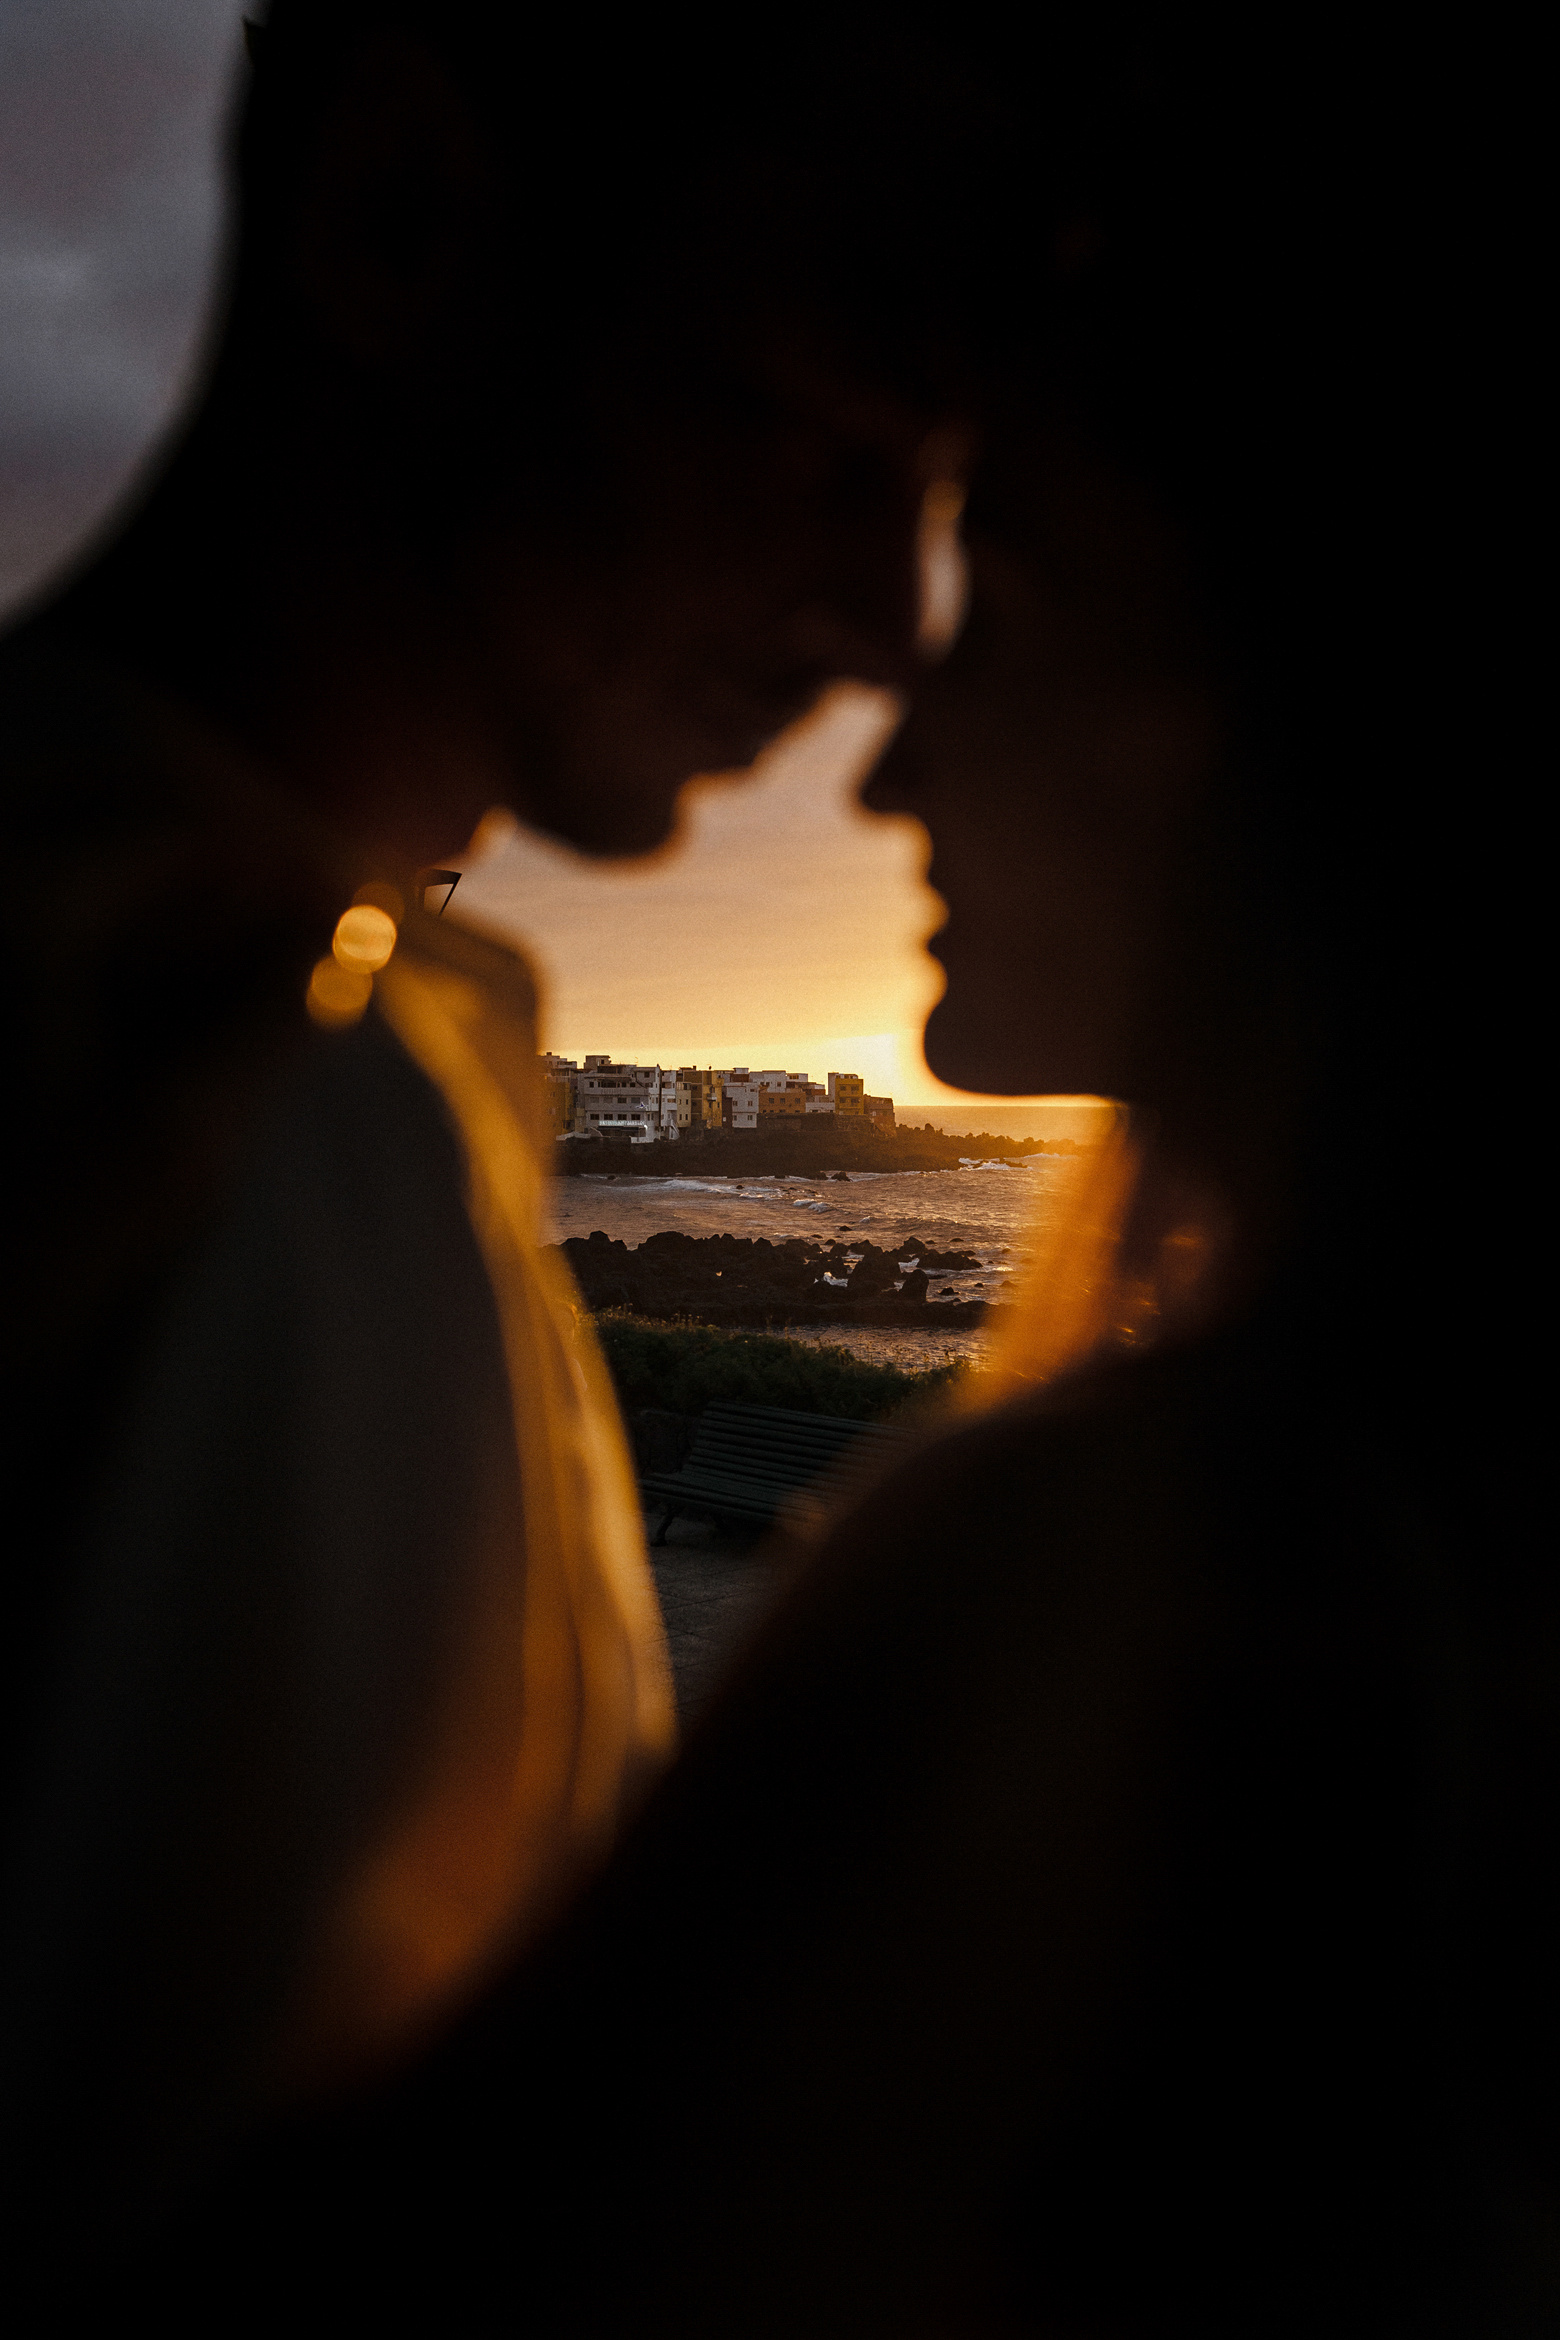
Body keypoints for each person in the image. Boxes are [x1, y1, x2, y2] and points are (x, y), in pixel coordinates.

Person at [158, 27, 1550, 2339]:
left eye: (1017, 582)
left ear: (1314, 688)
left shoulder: (1122, 1593)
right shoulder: (1395, 1550)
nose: (891, 716)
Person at [0, 1, 999, 2257]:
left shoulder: (297, 1055)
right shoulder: (243, 1135)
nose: (883, 627)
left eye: (938, 495)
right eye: (829, 416)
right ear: (398, 221)